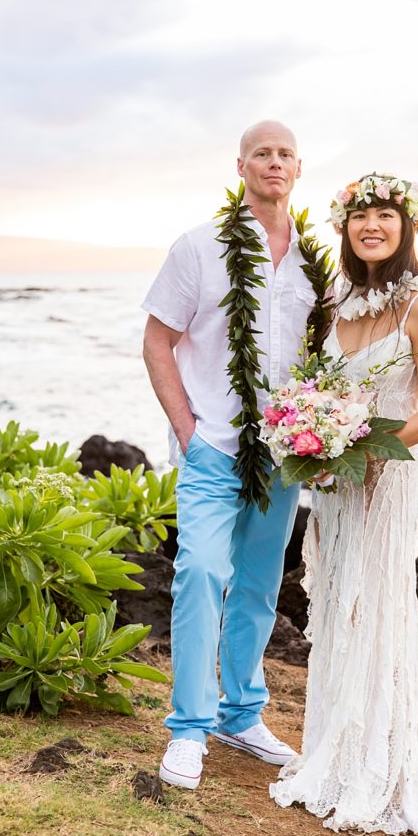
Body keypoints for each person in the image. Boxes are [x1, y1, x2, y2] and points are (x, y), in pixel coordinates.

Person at [270, 173, 418, 835]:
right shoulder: (336, 299)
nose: (372, 225)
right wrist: (314, 434)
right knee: (339, 597)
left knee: (376, 602)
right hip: (335, 480)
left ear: (408, 227)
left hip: (386, 473)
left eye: (385, 215)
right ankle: (333, 750)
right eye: (360, 216)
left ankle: (379, 766)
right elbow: (315, 385)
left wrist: (365, 446)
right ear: (344, 227)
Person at [142, 120, 319, 790]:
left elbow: (318, 358)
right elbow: (157, 341)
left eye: (284, 154)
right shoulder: (198, 248)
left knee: (256, 586)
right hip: (212, 445)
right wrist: (187, 429)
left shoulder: (312, 264)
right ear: (241, 166)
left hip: (281, 456)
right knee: (199, 574)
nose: (273, 163)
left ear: (299, 169)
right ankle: (189, 729)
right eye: (262, 153)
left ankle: (240, 717)